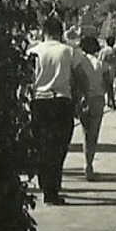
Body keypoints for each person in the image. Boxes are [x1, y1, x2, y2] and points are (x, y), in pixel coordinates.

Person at [28, 14, 90, 204]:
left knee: (41, 145)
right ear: (60, 33)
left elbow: (26, 80)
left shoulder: (33, 51)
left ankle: (45, 184)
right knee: (59, 147)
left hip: (38, 102)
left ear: (43, 33)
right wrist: (84, 97)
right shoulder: (69, 51)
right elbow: (82, 77)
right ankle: (52, 190)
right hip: (62, 103)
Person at [76, 36, 109, 180]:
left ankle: (87, 163)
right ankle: (88, 165)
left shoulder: (79, 62)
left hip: (83, 100)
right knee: (94, 134)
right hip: (98, 100)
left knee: (85, 133)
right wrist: (112, 100)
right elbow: (108, 82)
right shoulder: (100, 63)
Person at [97, 35, 116, 111]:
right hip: (112, 69)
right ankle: (111, 102)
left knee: (103, 86)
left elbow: (99, 60)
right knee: (110, 86)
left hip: (104, 68)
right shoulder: (115, 51)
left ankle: (107, 102)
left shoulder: (103, 51)